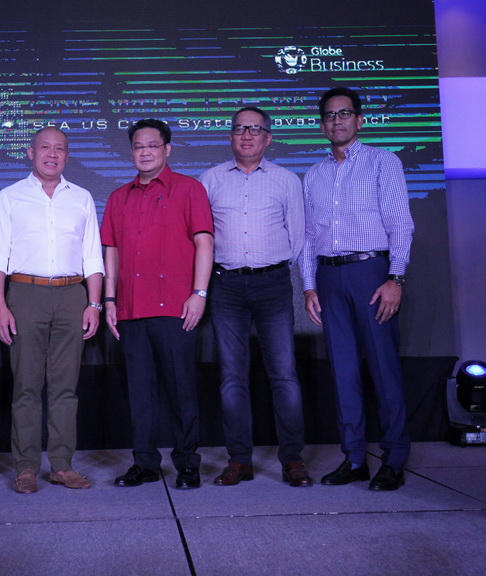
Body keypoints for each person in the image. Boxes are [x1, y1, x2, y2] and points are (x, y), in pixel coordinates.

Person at [301, 87, 414, 491]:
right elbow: (308, 237)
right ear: (321, 124)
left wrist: (395, 277)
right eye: (330, 116)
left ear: (359, 120)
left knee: (384, 370)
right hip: (330, 278)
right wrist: (310, 286)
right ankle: (353, 458)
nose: (337, 121)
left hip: (373, 273)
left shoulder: (383, 162)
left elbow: (401, 223)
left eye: (345, 114)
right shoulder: (313, 174)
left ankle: (394, 459)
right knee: (343, 372)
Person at [0, 127, 104, 493]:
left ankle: (62, 465)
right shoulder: (9, 198)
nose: (52, 154)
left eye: (60, 149)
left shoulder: (82, 198)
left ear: (67, 156)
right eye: (45, 148)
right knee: (26, 386)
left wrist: (94, 303)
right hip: (24, 293)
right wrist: (0, 307)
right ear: (30, 152)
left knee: (65, 388)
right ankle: (25, 468)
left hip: (72, 295)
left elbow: (92, 256)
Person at [199, 107, 312, 488]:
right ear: (230, 137)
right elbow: (202, 238)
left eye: (255, 129)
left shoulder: (286, 180)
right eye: (239, 129)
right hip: (225, 286)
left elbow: (298, 238)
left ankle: (292, 459)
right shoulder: (210, 179)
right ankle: (239, 460)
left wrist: (270, 266)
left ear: (268, 137)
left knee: (284, 374)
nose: (246, 135)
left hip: (272, 284)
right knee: (232, 377)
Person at [101, 118, 213, 490]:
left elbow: (204, 244)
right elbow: (111, 251)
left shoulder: (189, 189)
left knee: (182, 389)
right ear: (131, 151)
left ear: (167, 149)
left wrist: (198, 294)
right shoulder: (119, 197)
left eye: (152, 145)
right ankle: (145, 463)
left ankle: (187, 464)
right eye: (137, 146)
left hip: (176, 308)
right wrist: (110, 299)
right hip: (131, 310)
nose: (144, 151)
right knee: (140, 393)